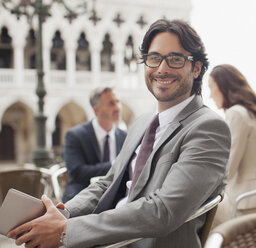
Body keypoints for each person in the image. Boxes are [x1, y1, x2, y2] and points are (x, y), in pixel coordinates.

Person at [8, 19, 231, 248]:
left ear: (196, 68)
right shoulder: (141, 123)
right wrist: (61, 213)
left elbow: (163, 211)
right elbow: (107, 184)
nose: (162, 69)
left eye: (175, 59)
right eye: (154, 58)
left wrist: (66, 231)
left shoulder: (208, 128)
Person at [208, 64, 256, 227]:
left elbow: (229, 167)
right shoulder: (255, 111)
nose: (210, 95)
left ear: (224, 87)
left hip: (250, 202)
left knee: (203, 223)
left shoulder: (236, 113)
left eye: (211, 88)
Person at [62, 87, 127, 202]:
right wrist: (115, 165)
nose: (117, 107)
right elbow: (77, 172)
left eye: (118, 102)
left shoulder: (125, 136)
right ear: (97, 110)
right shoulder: (75, 135)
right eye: (111, 103)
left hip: (116, 194)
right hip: (83, 193)